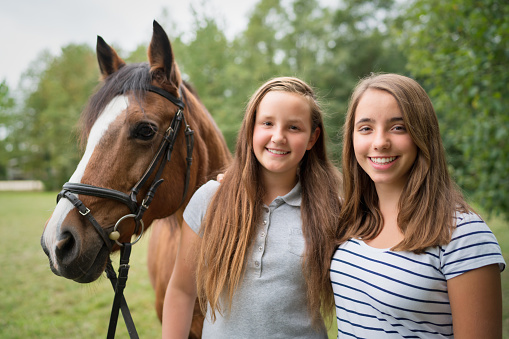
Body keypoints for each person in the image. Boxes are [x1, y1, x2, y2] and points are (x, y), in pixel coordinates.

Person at [162, 77, 342, 338]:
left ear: (313, 137)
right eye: (267, 123)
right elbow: (182, 290)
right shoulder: (210, 200)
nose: (278, 137)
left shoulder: (332, 209)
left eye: (294, 127)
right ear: (251, 128)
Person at [328, 73, 505, 338]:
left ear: (423, 134)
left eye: (398, 127)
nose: (380, 142)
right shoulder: (351, 220)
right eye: (366, 128)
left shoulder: (463, 235)